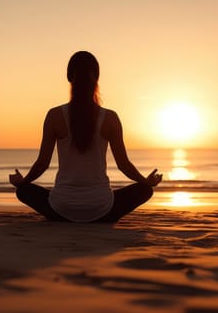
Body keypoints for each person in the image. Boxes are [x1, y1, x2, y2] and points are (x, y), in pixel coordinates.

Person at [9, 51, 162, 222]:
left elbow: (42, 164)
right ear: (96, 78)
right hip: (102, 209)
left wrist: (22, 182)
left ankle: (64, 214)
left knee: (23, 191)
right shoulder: (110, 118)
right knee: (145, 190)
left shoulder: (54, 116)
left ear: (69, 77)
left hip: (61, 208)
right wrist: (145, 181)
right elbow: (123, 165)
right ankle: (98, 215)